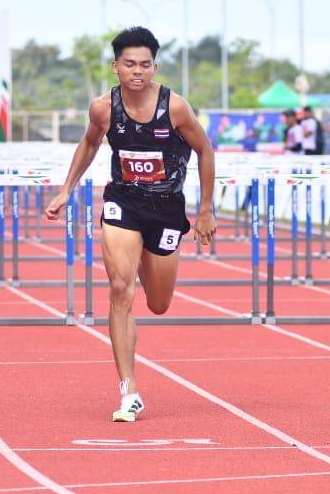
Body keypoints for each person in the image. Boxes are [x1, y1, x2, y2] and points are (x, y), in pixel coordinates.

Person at [44, 27, 216, 422]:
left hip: (166, 209)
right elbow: (90, 143)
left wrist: (206, 209)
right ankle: (129, 391)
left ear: (154, 67)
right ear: (116, 66)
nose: (137, 71)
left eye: (144, 64)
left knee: (158, 304)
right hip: (123, 203)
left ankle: (143, 259)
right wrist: (67, 189)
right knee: (120, 289)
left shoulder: (176, 107)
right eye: (129, 64)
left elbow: (205, 150)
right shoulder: (103, 108)